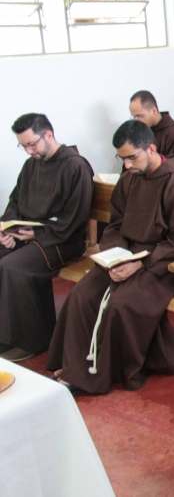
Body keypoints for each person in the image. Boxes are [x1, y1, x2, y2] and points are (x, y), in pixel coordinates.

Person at [47, 120, 174, 394]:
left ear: (151, 148)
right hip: (124, 258)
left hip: (162, 265)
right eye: (123, 158)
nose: (128, 165)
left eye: (132, 157)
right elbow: (116, 224)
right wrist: (116, 257)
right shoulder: (129, 179)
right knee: (81, 295)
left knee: (121, 304)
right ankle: (75, 366)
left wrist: (141, 263)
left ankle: (101, 372)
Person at [0, 114, 93, 363]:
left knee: (13, 267)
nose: (29, 151)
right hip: (28, 234)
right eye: (23, 146)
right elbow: (15, 202)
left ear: (48, 135)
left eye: (32, 144)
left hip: (63, 240)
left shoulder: (75, 166)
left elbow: (76, 217)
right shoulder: (31, 165)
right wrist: (7, 230)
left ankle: (32, 340)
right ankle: (5, 335)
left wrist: (38, 234)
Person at [129, 90, 174, 158]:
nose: (137, 121)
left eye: (140, 116)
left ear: (153, 111)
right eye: (134, 117)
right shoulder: (140, 129)